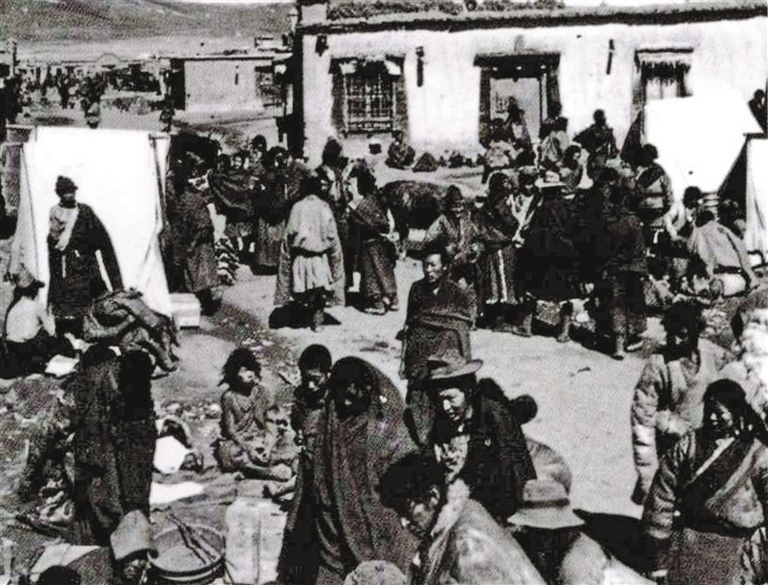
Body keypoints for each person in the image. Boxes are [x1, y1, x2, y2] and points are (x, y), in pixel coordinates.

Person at [642, 380, 768, 585]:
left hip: (736, 554)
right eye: (709, 410)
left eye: (719, 413)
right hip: (686, 545)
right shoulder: (689, 445)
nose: (712, 418)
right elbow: (661, 498)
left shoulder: (759, 455)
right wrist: (658, 559)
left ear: (736, 411)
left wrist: (760, 562)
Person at [311, 357, 418, 585]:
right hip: (339, 520)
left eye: (354, 393)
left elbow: (406, 466)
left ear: (367, 388)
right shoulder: (332, 421)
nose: (346, 400)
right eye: (342, 392)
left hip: (380, 517)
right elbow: (320, 471)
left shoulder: (385, 424)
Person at [380, 453, 546, 585]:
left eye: (407, 511)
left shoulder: (467, 543)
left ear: (433, 496)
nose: (403, 523)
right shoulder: (463, 513)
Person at [630, 300, 732, 505]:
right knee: (662, 505)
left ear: (695, 333)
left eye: (682, 335)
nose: (675, 341)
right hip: (669, 447)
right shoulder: (658, 365)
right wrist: (647, 470)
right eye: (671, 334)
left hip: (704, 444)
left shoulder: (713, 355)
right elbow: (642, 417)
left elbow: (737, 379)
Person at [429, 351, 536, 521]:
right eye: (440, 399)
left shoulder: (496, 420)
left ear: (468, 391)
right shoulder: (444, 420)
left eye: (451, 398)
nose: (445, 407)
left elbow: (516, 475)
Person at [509, 479, 652, 585]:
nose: (526, 532)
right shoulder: (571, 542)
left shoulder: (576, 565)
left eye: (533, 529)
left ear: (549, 531)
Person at [401, 245, 472, 447]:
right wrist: (404, 359)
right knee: (418, 396)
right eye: (425, 265)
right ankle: (421, 441)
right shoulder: (416, 289)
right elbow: (410, 324)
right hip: (419, 354)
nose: (428, 270)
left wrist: (462, 359)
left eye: (433, 265)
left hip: (444, 356)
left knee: (443, 399)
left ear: (445, 267)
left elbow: (461, 326)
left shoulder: (455, 292)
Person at [279, 344, 333, 585]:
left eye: (316, 380)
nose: (310, 385)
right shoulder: (302, 395)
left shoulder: (336, 397)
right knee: (303, 518)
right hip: (309, 464)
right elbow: (296, 420)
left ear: (328, 374)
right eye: (305, 379)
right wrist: (301, 432)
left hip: (330, 467)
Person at [47, 175, 122, 337]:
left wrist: (117, 285)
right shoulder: (54, 214)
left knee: (92, 319)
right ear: (59, 194)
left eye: (71, 191)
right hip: (64, 279)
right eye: (65, 192)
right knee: (67, 324)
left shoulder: (85, 213)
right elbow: (53, 256)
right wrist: (51, 292)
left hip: (86, 275)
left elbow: (105, 246)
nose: (69, 195)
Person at [274, 174, 345, 331]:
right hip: (320, 258)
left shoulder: (297, 207)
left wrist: (286, 257)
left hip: (301, 257)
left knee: (302, 289)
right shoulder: (324, 207)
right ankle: (317, 322)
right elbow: (332, 235)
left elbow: (289, 234)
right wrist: (336, 260)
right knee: (320, 292)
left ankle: (301, 318)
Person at [599, 168, 648, 359]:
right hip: (633, 269)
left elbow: (605, 248)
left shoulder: (610, 223)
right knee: (634, 303)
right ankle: (633, 338)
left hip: (615, 269)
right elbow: (639, 251)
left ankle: (618, 345)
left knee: (616, 304)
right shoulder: (634, 223)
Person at [213, 348, 280, 477]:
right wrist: (248, 448)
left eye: (250, 369)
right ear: (234, 374)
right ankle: (263, 472)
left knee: (287, 445)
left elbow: (273, 425)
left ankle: (251, 468)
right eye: (243, 370)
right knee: (227, 453)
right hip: (240, 442)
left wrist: (268, 447)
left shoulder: (265, 392)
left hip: (263, 439)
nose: (249, 374)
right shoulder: (229, 397)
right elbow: (231, 430)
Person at [422, 186, 481, 319]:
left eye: (460, 206)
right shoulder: (442, 221)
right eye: (454, 206)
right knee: (447, 291)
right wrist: (444, 247)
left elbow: (477, 237)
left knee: (468, 291)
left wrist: (475, 247)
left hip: (466, 264)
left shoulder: (467, 220)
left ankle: (469, 319)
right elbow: (427, 241)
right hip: (449, 266)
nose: (458, 210)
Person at [474, 171, 524, 331]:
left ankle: (491, 318)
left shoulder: (487, 203)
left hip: (491, 247)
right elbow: (511, 223)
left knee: (493, 282)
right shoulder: (500, 204)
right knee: (503, 283)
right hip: (501, 246)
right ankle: (499, 321)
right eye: (506, 182)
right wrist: (515, 222)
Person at [169, 165, 219, 315]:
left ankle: (207, 305)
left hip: (198, 242)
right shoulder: (180, 198)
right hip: (188, 240)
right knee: (192, 276)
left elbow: (205, 226)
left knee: (201, 276)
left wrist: (191, 244)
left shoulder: (191, 198)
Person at [350, 179, 403, 314]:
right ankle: (390, 298)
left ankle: (378, 301)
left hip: (373, 243)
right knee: (383, 270)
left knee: (372, 272)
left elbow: (378, 223)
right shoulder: (374, 203)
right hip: (378, 241)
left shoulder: (369, 203)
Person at [2, 269, 61, 377]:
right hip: (25, 352)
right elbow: (52, 331)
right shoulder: (36, 304)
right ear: (33, 290)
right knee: (54, 340)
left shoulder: (14, 306)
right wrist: (50, 314)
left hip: (11, 351)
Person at [687, 210, 757, 298]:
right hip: (738, 278)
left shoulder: (698, 232)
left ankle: (710, 290)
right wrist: (751, 275)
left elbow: (690, 249)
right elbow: (741, 248)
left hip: (718, 279)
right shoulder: (723, 229)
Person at [574, 109, 617, 181]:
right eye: (603, 117)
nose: (605, 119)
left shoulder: (592, 130)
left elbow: (577, 139)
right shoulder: (604, 131)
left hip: (596, 158)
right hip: (598, 158)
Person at [481, 119, 516, 184]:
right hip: (493, 171)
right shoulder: (490, 146)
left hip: (505, 170)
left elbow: (514, 158)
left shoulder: (506, 146)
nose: (493, 129)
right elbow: (486, 161)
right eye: (493, 127)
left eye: (496, 127)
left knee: (514, 183)